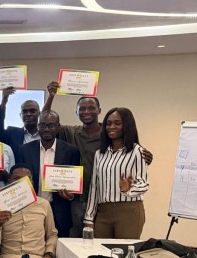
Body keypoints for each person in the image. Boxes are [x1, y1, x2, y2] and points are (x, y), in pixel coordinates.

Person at [42, 81, 153, 237]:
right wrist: (51, 97)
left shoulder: (109, 136)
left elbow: (135, 166)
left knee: (101, 247)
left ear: (99, 110)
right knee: (78, 244)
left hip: (105, 203)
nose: (86, 111)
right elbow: (46, 122)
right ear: (77, 112)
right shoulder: (72, 133)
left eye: (91, 108)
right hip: (76, 200)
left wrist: (131, 183)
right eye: (82, 109)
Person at [84, 107, 149, 239]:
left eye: (117, 123)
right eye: (108, 123)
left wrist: (129, 189)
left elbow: (144, 184)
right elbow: (94, 187)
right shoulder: (99, 154)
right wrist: (89, 218)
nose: (111, 127)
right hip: (103, 212)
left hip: (128, 210)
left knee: (124, 255)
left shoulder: (138, 152)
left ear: (127, 126)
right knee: (99, 254)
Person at [19, 110, 80, 238]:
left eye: (51, 125)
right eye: (42, 125)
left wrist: (70, 196)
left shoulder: (71, 151)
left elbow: (76, 185)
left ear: (58, 127)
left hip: (59, 211)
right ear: (38, 126)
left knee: (59, 252)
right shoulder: (25, 150)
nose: (46, 129)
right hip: (32, 208)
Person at [0, 88, 40, 161]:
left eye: (32, 111)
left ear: (39, 114)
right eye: (25, 112)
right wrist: (4, 101)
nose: (28, 114)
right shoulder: (12, 133)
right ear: (20, 115)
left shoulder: (45, 135)